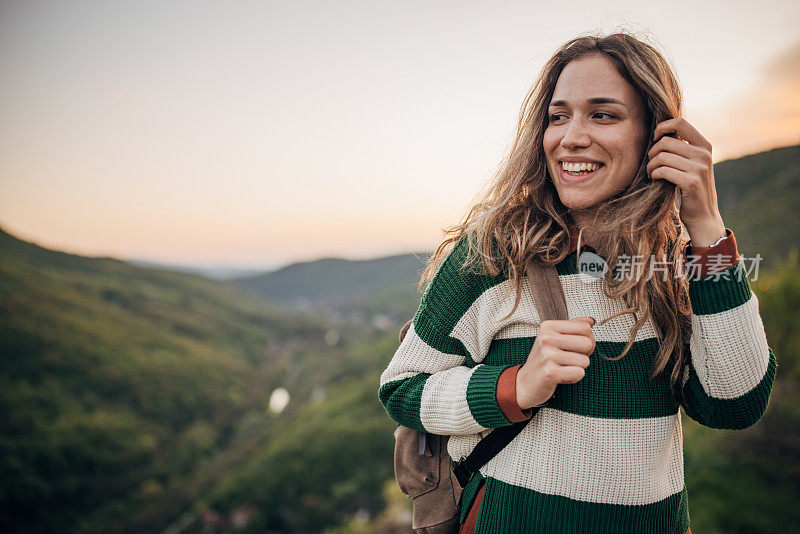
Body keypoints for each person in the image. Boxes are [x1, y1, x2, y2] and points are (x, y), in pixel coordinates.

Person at [378, 31, 777, 533]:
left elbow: (736, 404)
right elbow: (402, 388)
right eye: (558, 115)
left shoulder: (679, 263)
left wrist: (707, 226)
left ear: (657, 135)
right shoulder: (495, 251)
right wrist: (515, 385)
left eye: (603, 114)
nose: (571, 137)